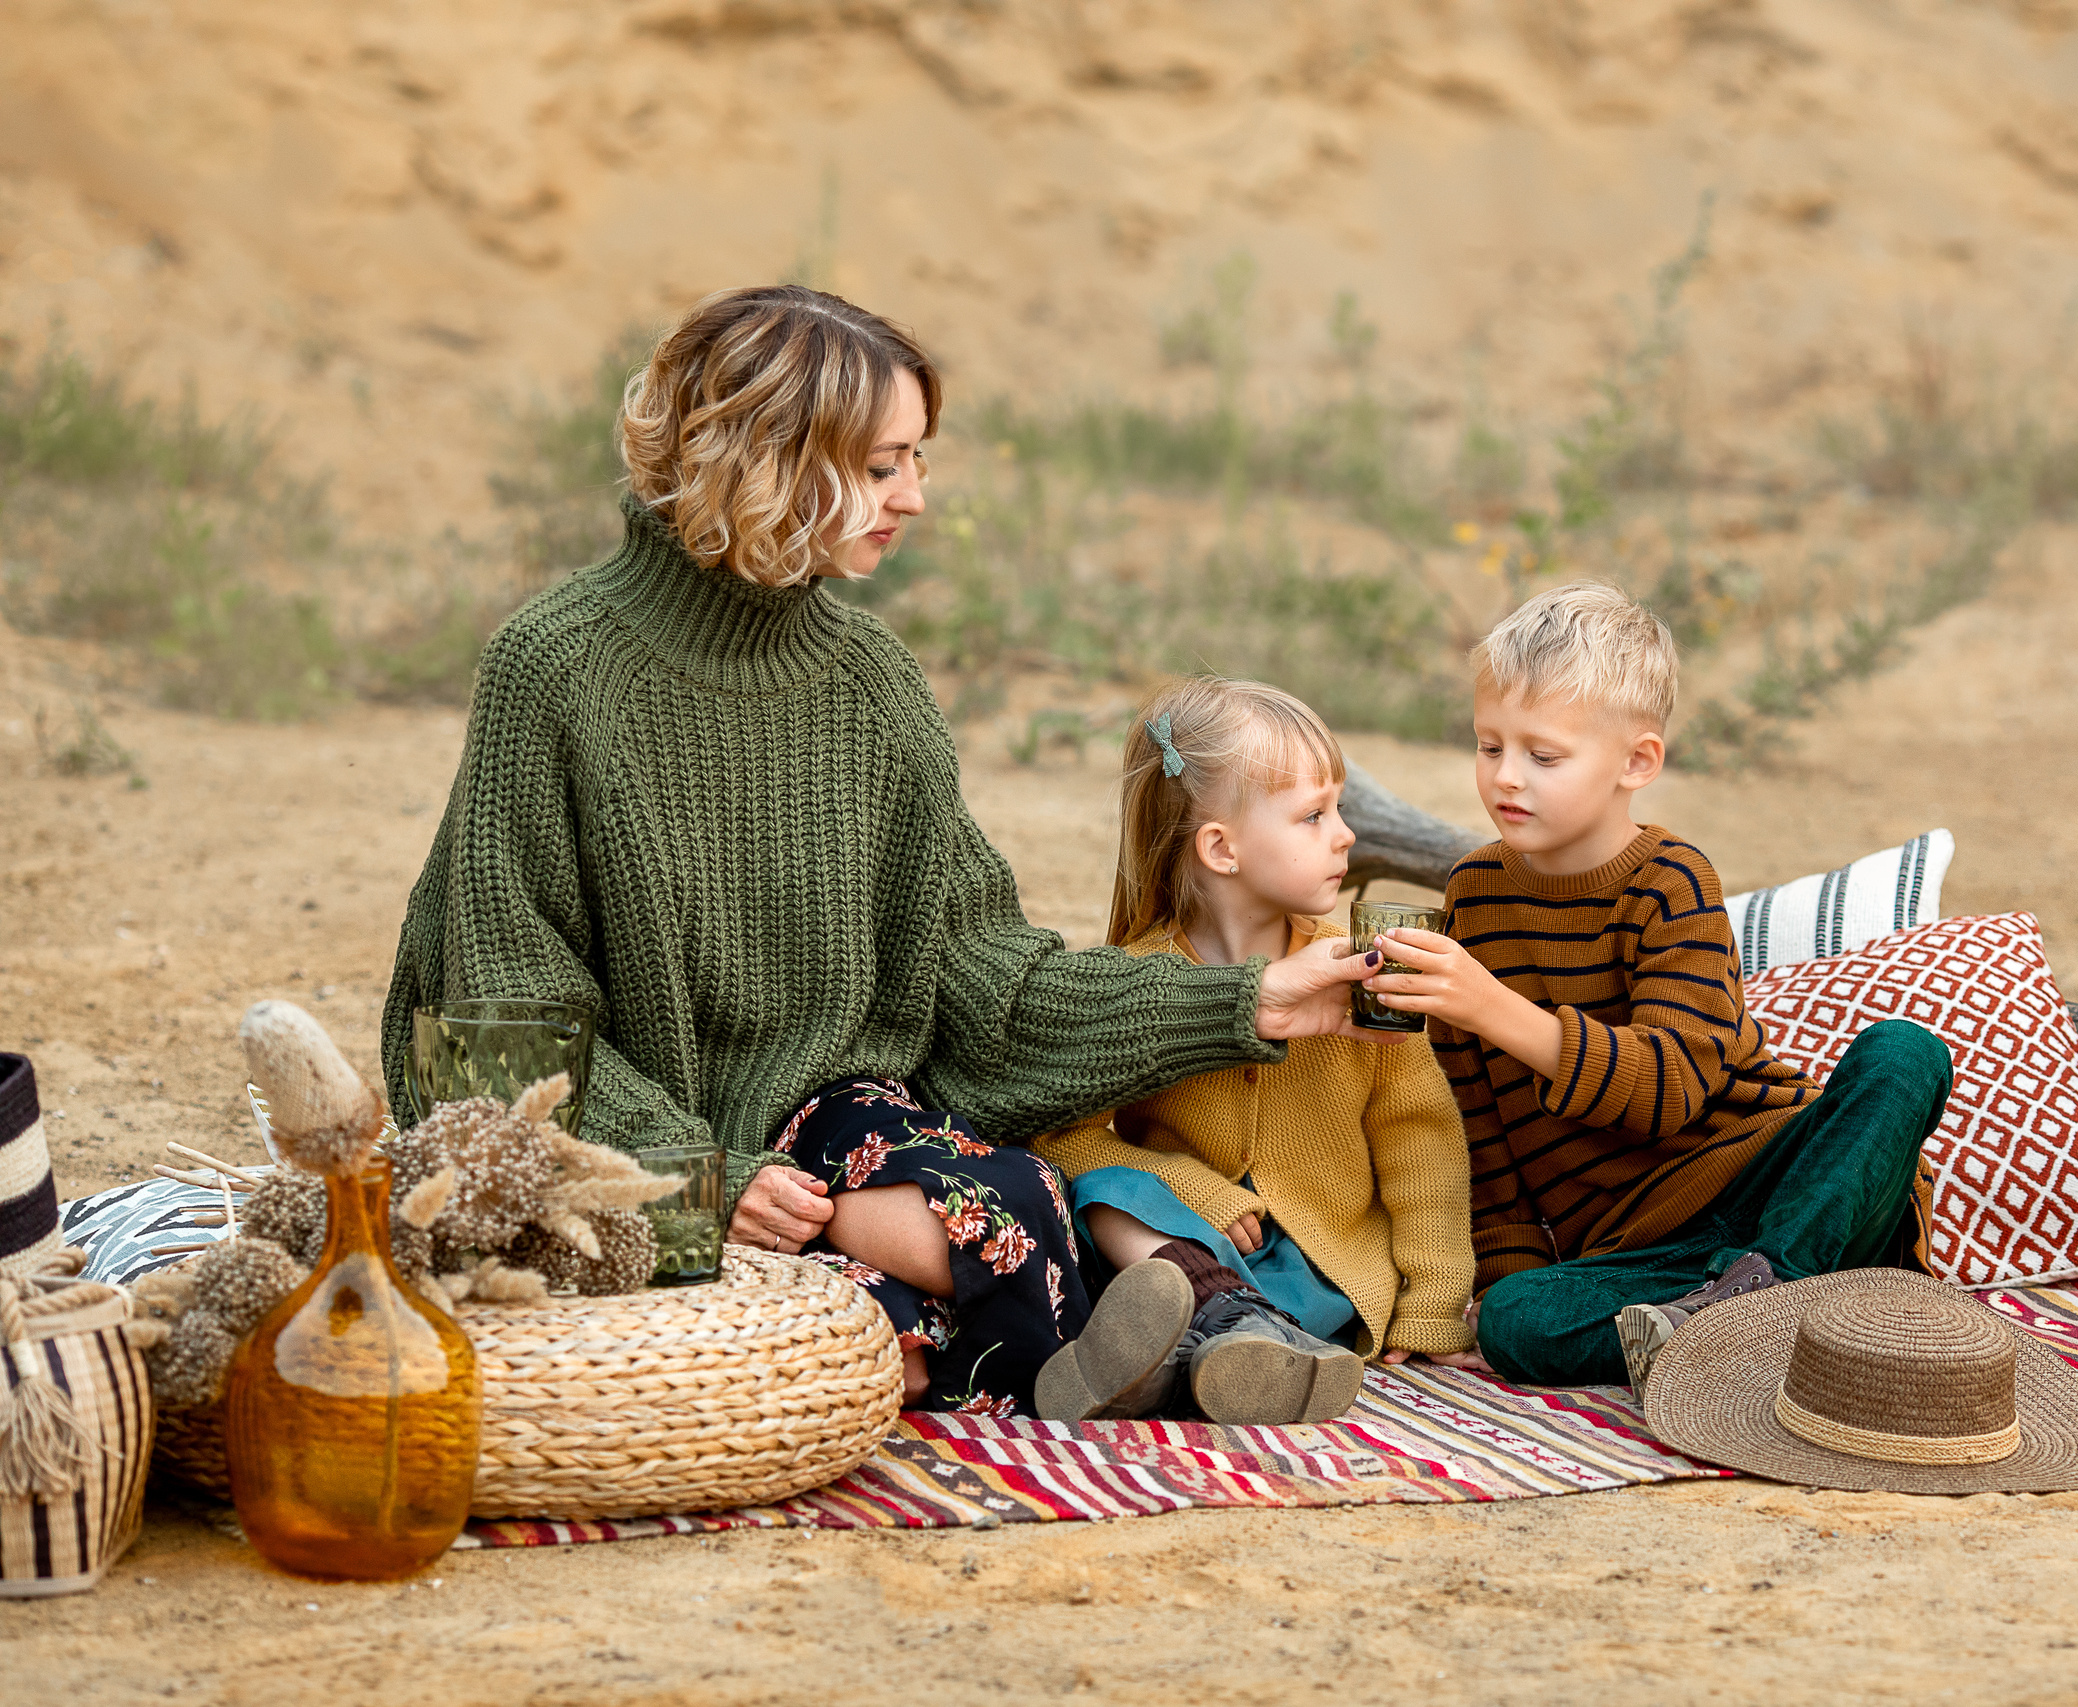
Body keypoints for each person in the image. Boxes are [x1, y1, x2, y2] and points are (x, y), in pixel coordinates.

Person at [381, 285, 1378, 1416]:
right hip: (625, 1132)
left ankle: (1062, 1345)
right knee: (916, 1283)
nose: (915, 496)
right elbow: (498, 1023)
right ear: (761, 458)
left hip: (834, 1122)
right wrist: (701, 1186)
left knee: (1021, 1205)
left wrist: (1248, 1001)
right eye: (881, 464)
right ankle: (1119, 1352)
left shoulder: (874, 686)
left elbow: (986, 984)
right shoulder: (553, 669)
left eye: (917, 459)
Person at [1357, 582, 1955, 1395]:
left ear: (1636, 761)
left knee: (1903, 1054)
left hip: (1773, 1181)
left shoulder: (1672, 881)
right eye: (1488, 745)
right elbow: (1479, 1123)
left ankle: (1766, 1291)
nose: (1506, 777)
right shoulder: (1474, 894)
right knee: (1515, 1322)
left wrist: (1492, 1005)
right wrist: (1509, 1268)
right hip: (1641, 1251)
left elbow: (1670, 1088)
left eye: (1544, 754)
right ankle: (1753, 1323)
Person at [1031, 677, 1484, 1425]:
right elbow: (1060, 1129)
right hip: (1173, 1255)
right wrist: (1183, 1183)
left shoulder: (1361, 976)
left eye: (1337, 809)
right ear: (1221, 847)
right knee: (1104, 1190)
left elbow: (1421, 1138)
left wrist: (1434, 1300)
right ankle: (1195, 1353)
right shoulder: (1141, 979)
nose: (1345, 834)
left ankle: (1195, 1356)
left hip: (1315, 1273)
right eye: (1313, 815)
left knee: (1143, 1249)